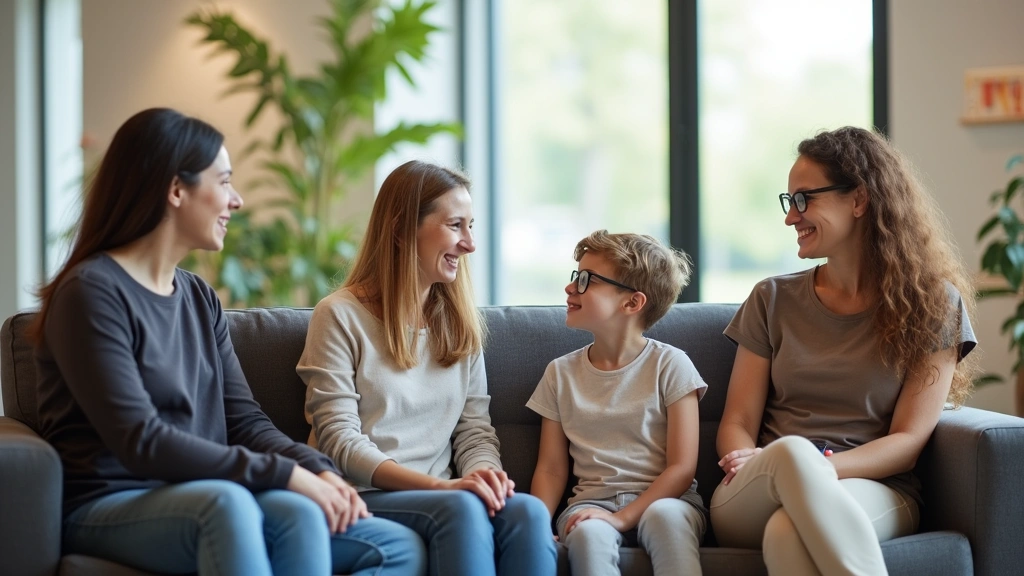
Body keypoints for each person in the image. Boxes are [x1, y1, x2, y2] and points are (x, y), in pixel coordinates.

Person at [31, 108, 426, 576]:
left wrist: (315, 467)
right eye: (223, 182)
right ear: (176, 190)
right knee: (229, 505)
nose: (236, 200)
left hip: (203, 492)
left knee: (397, 546)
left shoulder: (198, 297)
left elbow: (243, 420)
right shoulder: (91, 293)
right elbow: (141, 439)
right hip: (113, 501)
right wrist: (283, 475)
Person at [711, 127, 978, 576]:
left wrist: (814, 469)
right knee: (792, 455)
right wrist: (770, 466)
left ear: (858, 200)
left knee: (786, 530)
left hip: (875, 487)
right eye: (788, 201)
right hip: (758, 487)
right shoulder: (771, 299)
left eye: (803, 200)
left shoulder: (934, 304)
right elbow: (737, 423)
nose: (790, 217)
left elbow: (908, 442)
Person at [297, 160, 558, 576]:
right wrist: (444, 487)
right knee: (459, 508)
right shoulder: (339, 316)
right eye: (456, 225)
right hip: (363, 492)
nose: (470, 244)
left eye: (471, 226)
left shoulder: (459, 321)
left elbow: (474, 430)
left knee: (526, 512)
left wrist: (483, 477)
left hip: (443, 495)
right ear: (402, 230)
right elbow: (339, 442)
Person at [528, 230, 708, 576]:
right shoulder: (559, 373)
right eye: (574, 276)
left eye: (586, 280)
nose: (571, 288)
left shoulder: (672, 365)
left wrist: (622, 517)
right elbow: (551, 469)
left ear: (632, 303)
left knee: (665, 518)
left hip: (668, 501)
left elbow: (682, 468)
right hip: (590, 504)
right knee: (587, 532)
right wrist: (538, 523)